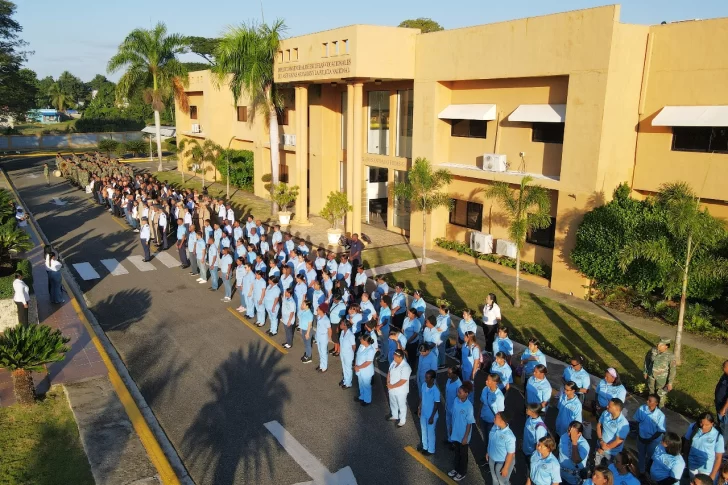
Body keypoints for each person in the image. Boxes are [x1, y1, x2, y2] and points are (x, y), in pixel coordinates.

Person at [684, 412, 724, 480]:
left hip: (707, 468)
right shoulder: (693, 427)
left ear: (712, 423)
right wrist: (685, 461)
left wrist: (713, 475)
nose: (703, 427)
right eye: (701, 423)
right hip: (692, 463)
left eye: (707, 425)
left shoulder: (718, 436)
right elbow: (686, 444)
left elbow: (718, 457)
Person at [448, 382, 475, 482]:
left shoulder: (469, 406)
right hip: (455, 431)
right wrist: (451, 428)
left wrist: (465, 437)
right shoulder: (456, 400)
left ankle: (462, 472)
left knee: (463, 454)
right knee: (457, 452)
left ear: (466, 394)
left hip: (463, 434)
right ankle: (456, 469)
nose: (458, 393)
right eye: (458, 392)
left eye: (460, 392)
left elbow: (469, 423)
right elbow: (453, 416)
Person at [632, 394, 666, 474]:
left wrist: (649, 439)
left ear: (656, 403)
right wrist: (639, 434)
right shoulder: (641, 409)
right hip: (641, 438)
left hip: (653, 441)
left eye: (650, 401)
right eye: (647, 399)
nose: (647, 401)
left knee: (651, 456)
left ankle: (648, 469)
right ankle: (641, 471)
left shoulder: (660, 416)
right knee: (641, 454)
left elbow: (660, 431)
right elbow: (637, 422)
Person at [596, 398, 630, 466]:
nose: (607, 406)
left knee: (609, 471)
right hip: (600, 444)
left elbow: (618, 441)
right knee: (597, 466)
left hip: (612, 453)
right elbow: (599, 425)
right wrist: (601, 441)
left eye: (609, 406)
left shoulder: (623, 424)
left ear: (616, 408)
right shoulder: (605, 413)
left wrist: (603, 448)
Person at [644, 338, 676, 407]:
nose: (658, 345)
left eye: (661, 345)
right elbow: (647, 360)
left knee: (660, 394)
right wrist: (645, 372)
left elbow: (672, 370)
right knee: (651, 391)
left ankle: (660, 408)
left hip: (662, 378)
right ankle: (651, 404)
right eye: (658, 344)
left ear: (666, 346)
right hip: (651, 375)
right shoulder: (653, 350)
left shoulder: (670, 356)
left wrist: (670, 383)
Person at [487, 411, 517, 485]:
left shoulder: (509, 436)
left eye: (495, 417)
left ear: (502, 420)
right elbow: (491, 441)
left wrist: (506, 468)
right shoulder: (495, 426)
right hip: (492, 458)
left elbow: (511, 454)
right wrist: (488, 452)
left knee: (503, 481)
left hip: (502, 462)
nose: (493, 418)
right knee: (494, 478)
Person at [480, 373, 505, 453]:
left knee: (492, 440)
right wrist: (478, 415)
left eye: (488, 380)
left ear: (495, 382)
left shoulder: (499, 396)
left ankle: (491, 457)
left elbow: (500, 412)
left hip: (492, 422)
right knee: (485, 438)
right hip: (484, 418)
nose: (486, 381)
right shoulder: (485, 389)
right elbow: (481, 402)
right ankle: (487, 454)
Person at [558, 421, 590, 485]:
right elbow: (559, 452)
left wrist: (574, 441)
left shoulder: (584, 445)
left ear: (579, 434)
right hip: (560, 475)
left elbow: (576, 460)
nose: (569, 433)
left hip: (573, 480)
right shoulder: (564, 436)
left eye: (572, 432)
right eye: (569, 430)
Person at [387, 349, 412, 427]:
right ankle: (394, 415)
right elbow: (389, 372)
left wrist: (392, 386)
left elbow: (403, 380)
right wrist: (388, 383)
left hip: (401, 390)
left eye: (395, 357)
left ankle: (402, 420)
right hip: (391, 388)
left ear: (400, 357)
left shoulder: (406, 367)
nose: (394, 358)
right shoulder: (394, 362)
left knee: (401, 405)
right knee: (393, 402)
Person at [418, 369, 440, 456]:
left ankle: (431, 449)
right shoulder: (423, 385)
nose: (425, 379)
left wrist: (432, 417)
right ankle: (425, 446)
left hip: (431, 415)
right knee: (423, 430)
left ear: (432, 379)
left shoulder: (435, 391)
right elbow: (422, 397)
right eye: (425, 377)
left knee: (430, 432)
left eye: (427, 378)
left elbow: (436, 405)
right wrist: (419, 408)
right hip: (424, 412)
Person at [523, 403, 549, 468]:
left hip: (532, 454)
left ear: (533, 412)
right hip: (526, 450)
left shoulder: (540, 427)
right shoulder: (529, 418)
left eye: (528, 409)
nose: (526, 410)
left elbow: (540, 444)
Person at [354, 333, 376, 405]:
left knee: (366, 386)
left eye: (361, 339)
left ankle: (367, 400)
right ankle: (362, 397)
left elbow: (368, 362)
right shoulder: (361, 345)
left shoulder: (371, 350)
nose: (360, 340)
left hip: (366, 371)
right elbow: (357, 356)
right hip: (359, 370)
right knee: (361, 384)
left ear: (365, 341)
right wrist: (355, 365)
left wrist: (358, 367)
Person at [315, 303, 332, 373]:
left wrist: (329, 338)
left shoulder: (326, 320)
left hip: (323, 337)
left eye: (318, 309)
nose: (317, 310)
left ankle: (324, 367)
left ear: (322, 310)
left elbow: (329, 330)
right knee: (320, 351)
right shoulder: (319, 316)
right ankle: (321, 365)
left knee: (323, 352)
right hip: (318, 335)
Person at [339, 320, 356, 389]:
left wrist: (352, 355)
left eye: (342, 324)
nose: (340, 325)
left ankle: (348, 383)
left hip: (348, 354)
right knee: (344, 367)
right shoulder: (342, 332)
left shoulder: (351, 335)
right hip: (342, 353)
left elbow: (354, 346)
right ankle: (345, 380)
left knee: (348, 369)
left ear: (345, 326)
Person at [716, 360, 728, 452]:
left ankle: (721, 449)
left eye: (724, 366)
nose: (722, 368)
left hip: (725, 409)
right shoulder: (725, 375)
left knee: (724, 427)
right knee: (720, 425)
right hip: (719, 404)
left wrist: (724, 408)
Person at [377, 296, 392, 363]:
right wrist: (377, 325)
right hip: (380, 328)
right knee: (382, 342)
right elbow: (379, 317)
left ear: (385, 303)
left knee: (385, 343)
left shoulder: (388, 311)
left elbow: (385, 321)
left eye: (381, 301)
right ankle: (382, 353)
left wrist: (379, 326)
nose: (380, 302)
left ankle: (385, 356)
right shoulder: (382, 308)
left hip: (385, 330)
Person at [298, 299, 314, 364]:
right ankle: (307, 353)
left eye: (303, 304)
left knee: (308, 344)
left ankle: (309, 357)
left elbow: (309, 325)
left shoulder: (310, 314)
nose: (302, 305)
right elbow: (301, 320)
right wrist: (301, 329)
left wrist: (307, 333)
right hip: (303, 329)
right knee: (306, 343)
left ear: (307, 306)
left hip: (307, 331)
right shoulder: (304, 311)